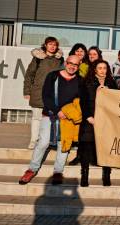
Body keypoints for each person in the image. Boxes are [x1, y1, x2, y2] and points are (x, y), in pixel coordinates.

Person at [19, 55, 81, 185]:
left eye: (75, 65)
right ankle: (32, 169)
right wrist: (58, 111)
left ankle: (58, 172)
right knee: (43, 143)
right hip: (50, 114)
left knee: (63, 145)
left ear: (78, 66)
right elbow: (45, 96)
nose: (72, 67)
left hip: (67, 119)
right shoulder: (53, 76)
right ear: (65, 62)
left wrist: (69, 112)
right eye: (70, 63)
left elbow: (79, 100)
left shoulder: (80, 80)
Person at [78, 59, 117, 187]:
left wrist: (108, 92)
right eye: (99, 68)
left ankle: (106, 175)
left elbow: (117, 101)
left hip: (106, 121)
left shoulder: (112, 82)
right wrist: (88, 116)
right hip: (90, 119)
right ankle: (84, 176)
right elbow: (83, 101)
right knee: (86, 147)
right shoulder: (87, 82)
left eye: (104, 68)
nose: (102, 70)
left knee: (106, 148)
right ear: (95, 69)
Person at [23, 36, 64, 150]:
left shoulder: (60, 59)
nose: (52, 47)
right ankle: (33, 141)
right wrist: (27, 91)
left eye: (55, 45)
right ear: (45, 45)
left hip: (53, 94)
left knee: (52, 119)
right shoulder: (38, 58)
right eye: (50, 44)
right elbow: (29, 75)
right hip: (38, 92)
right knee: (37, 117)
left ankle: (48, 141)